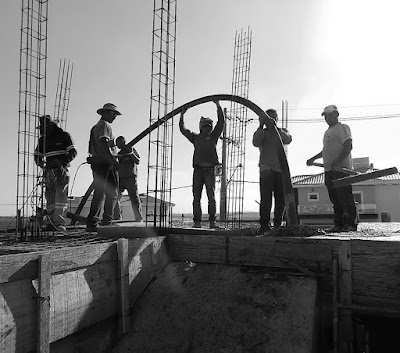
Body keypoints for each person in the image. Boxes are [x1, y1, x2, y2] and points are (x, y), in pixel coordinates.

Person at [306, 104, 357, 232]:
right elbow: (325, 151)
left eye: (330, 115)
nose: (327, 118)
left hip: (341, 170)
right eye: (325, 116)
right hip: (329, 171)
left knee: (345, 197)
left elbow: (348, 145)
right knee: (335, 199)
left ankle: (350, 224)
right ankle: (339, 224)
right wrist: (313, 159)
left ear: (336, 115)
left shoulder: (342, 128)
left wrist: (338, 161)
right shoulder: (327, 132)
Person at [179, 99, 224, 228]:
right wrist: (182, 115)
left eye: (209, 126)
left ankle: (212, 222)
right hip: (198, 171)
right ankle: (197, 222)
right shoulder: (195, 138)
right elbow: (183, 129)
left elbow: (221, 122)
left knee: (211, 197)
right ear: (201, 127)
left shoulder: (214, 136)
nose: (207, 128)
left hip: (210, 170)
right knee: (196, 197)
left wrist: (218, 106)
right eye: (205, 126)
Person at [34, 115, 77, 232]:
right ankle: (50, 222)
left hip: (62, 171)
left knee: (60, 198)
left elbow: (73, 152)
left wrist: (62, 162)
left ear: (52, 126)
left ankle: (58, 223)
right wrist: (42, 164)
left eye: (45, 127)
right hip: (49, 171)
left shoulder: (64, 136)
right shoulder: (43, 140)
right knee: (50, 198)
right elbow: (37, 155)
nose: (43, 130)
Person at [252, 108, 292, 234]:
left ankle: (277, 224)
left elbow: (288, 139)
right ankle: (264, 225)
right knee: (266, 198)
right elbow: (255, 142)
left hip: (280, 170)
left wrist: (276, 128)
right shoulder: (261, 133)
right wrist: (260, 125)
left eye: (274, 118)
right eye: (269, 118)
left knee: (280, 199)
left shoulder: (282, 132)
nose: (271, 120)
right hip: (266, 169)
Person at [86, 103, 121, 232]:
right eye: (113, 114)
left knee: (99, 193)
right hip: (105, 164)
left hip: (97, 163)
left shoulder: (95, 127)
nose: (115, 117)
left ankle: (92, 222)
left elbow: (97, 146)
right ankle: (107, 222)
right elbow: (103, 142)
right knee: (112, 193)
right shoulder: (105, 125)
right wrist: (113, 160)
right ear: (105, 113)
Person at [113, 136, 143, 221]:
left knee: (134, 198)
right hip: (120, 178)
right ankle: (117, 217)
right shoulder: (119, 153)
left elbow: (137, 161)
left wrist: (131, 153)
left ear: (123, 142)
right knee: (115, 197)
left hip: (130, 177)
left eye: (118, 142)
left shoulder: (131, 149)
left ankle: (138, 218)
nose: (117, 144)